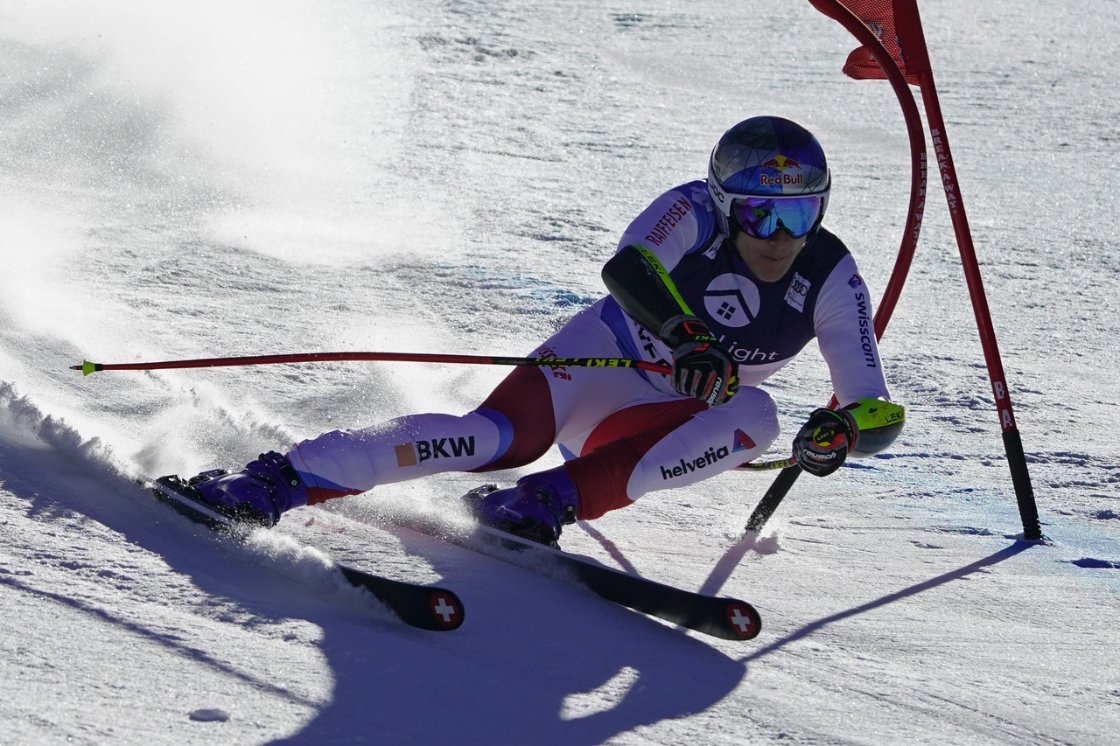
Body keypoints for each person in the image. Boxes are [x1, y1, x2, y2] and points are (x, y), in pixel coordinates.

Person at [187, 115, 905, 545]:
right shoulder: (689, 210)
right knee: (492, 441)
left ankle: (546, 501)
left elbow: (871, 404)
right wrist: (687, 337)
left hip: (657, 421)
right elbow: (629, 268)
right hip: (596, 366)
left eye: (799, 216)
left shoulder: (831, 275)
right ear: (724, 204)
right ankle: (277, 480)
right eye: (759, 215)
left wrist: (841, 434)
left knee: (760, 416)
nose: (779, 237)